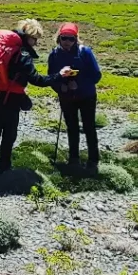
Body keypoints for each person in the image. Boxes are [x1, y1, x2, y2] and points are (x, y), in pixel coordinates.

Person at [0, 19, 72, 176]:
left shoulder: (6, 48)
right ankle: (4, 166)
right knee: (9, 134)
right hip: (10, 99)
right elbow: (37, 80)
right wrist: (59, 76)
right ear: (29, 36)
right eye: (35, 39)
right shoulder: (22, 54)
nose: (35, 43)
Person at [47, 23, 102, 173]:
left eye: (71, 39)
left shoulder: (85, 52)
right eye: (64, 38)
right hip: (67, 97)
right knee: (72, 127)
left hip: (86, 96)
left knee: (89, 127)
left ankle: (93, 160)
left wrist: (79, 84)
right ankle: (74, 159)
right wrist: (60, 87)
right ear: (59, 38)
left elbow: (96, 75)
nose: (67, 42)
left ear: (76, 39)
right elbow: (51, 77)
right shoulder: (54, 54)